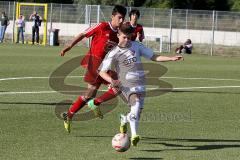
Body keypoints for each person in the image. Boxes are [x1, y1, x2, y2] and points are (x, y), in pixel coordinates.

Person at [96, 24, 183, 146]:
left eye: (129, 37)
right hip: (125, 85)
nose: (127, 40)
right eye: (124, 37)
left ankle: (124, 119)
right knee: (135, 102)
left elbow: (154, 57)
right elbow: (101, 71)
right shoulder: (113, 53)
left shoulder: (136, 46)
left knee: (136, 113)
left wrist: (171, 58)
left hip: (140, 83)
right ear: (118, 35)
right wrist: (112, 81)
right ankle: (134, 135)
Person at [60, 5, 127, 133]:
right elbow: (83, 34)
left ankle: (93, 104)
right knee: (91, 94)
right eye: (119, 18)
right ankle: (70, 114)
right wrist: (69, 45)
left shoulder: (119, 32)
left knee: (112, 88)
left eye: (123, 18)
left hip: (107, 66)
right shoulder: (102, 26)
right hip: (94, 65)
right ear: (112, 16)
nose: (121, 21)